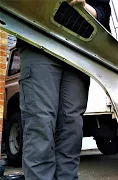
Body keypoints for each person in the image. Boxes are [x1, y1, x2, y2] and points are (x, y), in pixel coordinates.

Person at [16, 0, 111, 179]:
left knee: (71, 128)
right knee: (40, 123)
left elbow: (104, 12)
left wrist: (83, 6)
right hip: (39, 39)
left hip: (78, 51)